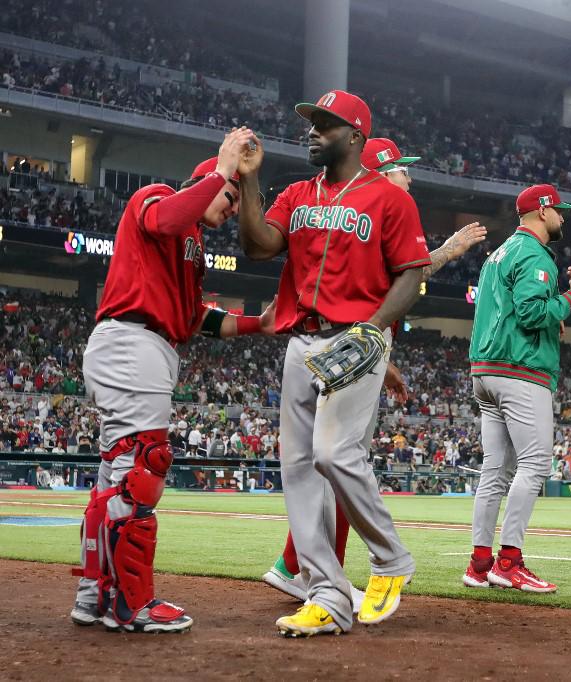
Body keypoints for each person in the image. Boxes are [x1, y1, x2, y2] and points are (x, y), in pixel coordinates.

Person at [260, 136, 487, 606]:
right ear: (380, 172)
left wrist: (384, 364)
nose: (409, 177)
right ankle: (318, 568)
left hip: (352, 345)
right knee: (338, 463)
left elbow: (375, 289)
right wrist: (448, 250)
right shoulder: (371, 209)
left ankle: (301, 568)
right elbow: (405, 275)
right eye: (402, 168)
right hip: (339, 342)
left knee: (332, 465)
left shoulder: (373, 212)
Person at [237, 90, 429, 636]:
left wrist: (374, 329)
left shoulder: (390, 200)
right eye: (312, 123)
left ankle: (390, 558)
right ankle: (326, 595)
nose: (313, 131)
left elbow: (412, 272)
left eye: (326, 124)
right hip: (301, 340)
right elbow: (258, 246)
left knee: (333, 452)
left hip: (355, 338)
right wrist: (250, 180)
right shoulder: (297, 193)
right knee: (298, 470)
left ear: (356, 136)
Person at [69, 128, 277, 633]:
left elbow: (193, 318)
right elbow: (163, 219)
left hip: (142, 346)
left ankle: (95, 594)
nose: (233, 208)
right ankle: (132, 605)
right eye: (230, 197)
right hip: (132, 342)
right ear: (209, 180)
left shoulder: (193, 243)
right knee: (143, 468)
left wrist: (259, 324)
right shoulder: (158, 196)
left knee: (114, 477)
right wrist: (224, 168)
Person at [461, 183, 571, 593]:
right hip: (518, 370)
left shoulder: (499, 253)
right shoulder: (534, 253)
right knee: (534, 464)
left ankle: (479, 563)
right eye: (559, 210)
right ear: (543, 211)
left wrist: (553, 314)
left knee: (495, 471)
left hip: (485, 370)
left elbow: (512, 309)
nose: (563, 216)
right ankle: (509, 561)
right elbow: (532, 313)